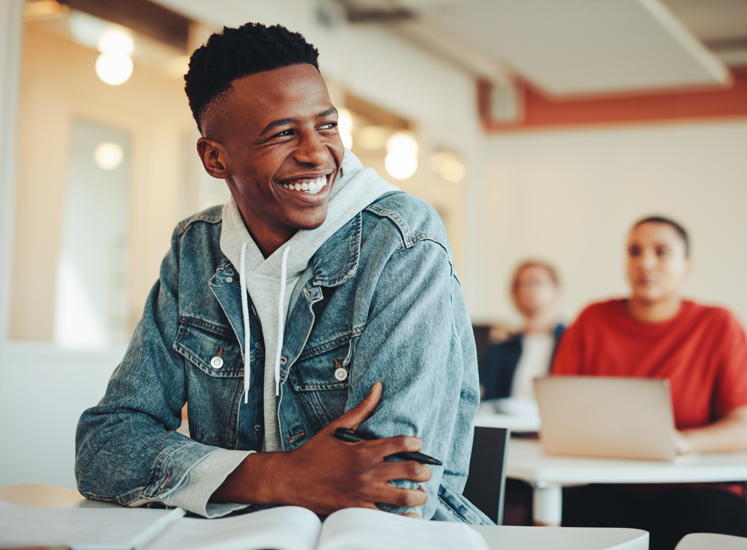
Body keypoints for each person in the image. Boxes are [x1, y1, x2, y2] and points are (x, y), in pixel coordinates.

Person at [75, 23, 488, 525]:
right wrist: (281, 476)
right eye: (283, 133)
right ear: (214, 158)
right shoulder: (196, 250)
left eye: (327, 125)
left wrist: (223, 476)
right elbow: (105, 446)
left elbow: (393, 489)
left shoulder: (401, 239)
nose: (316, 152)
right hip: (235, 538)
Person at [551, 216, 747, 550]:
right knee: (577, 517)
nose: (646, 263)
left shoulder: (719, 325)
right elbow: (559, 411)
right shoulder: (591, 320)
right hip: (608, 486)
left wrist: (685, 442)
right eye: (635, 251)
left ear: (688, 266)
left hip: (699, 490)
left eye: (662, 251)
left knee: (709, 520)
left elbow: (742, 427)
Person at [481, 261, 565, 401]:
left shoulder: (572, 342)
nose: (526, 290)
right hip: (506, 421)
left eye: (535, 282)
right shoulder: (502, 347)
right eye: (519, 285)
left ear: (556, 289)